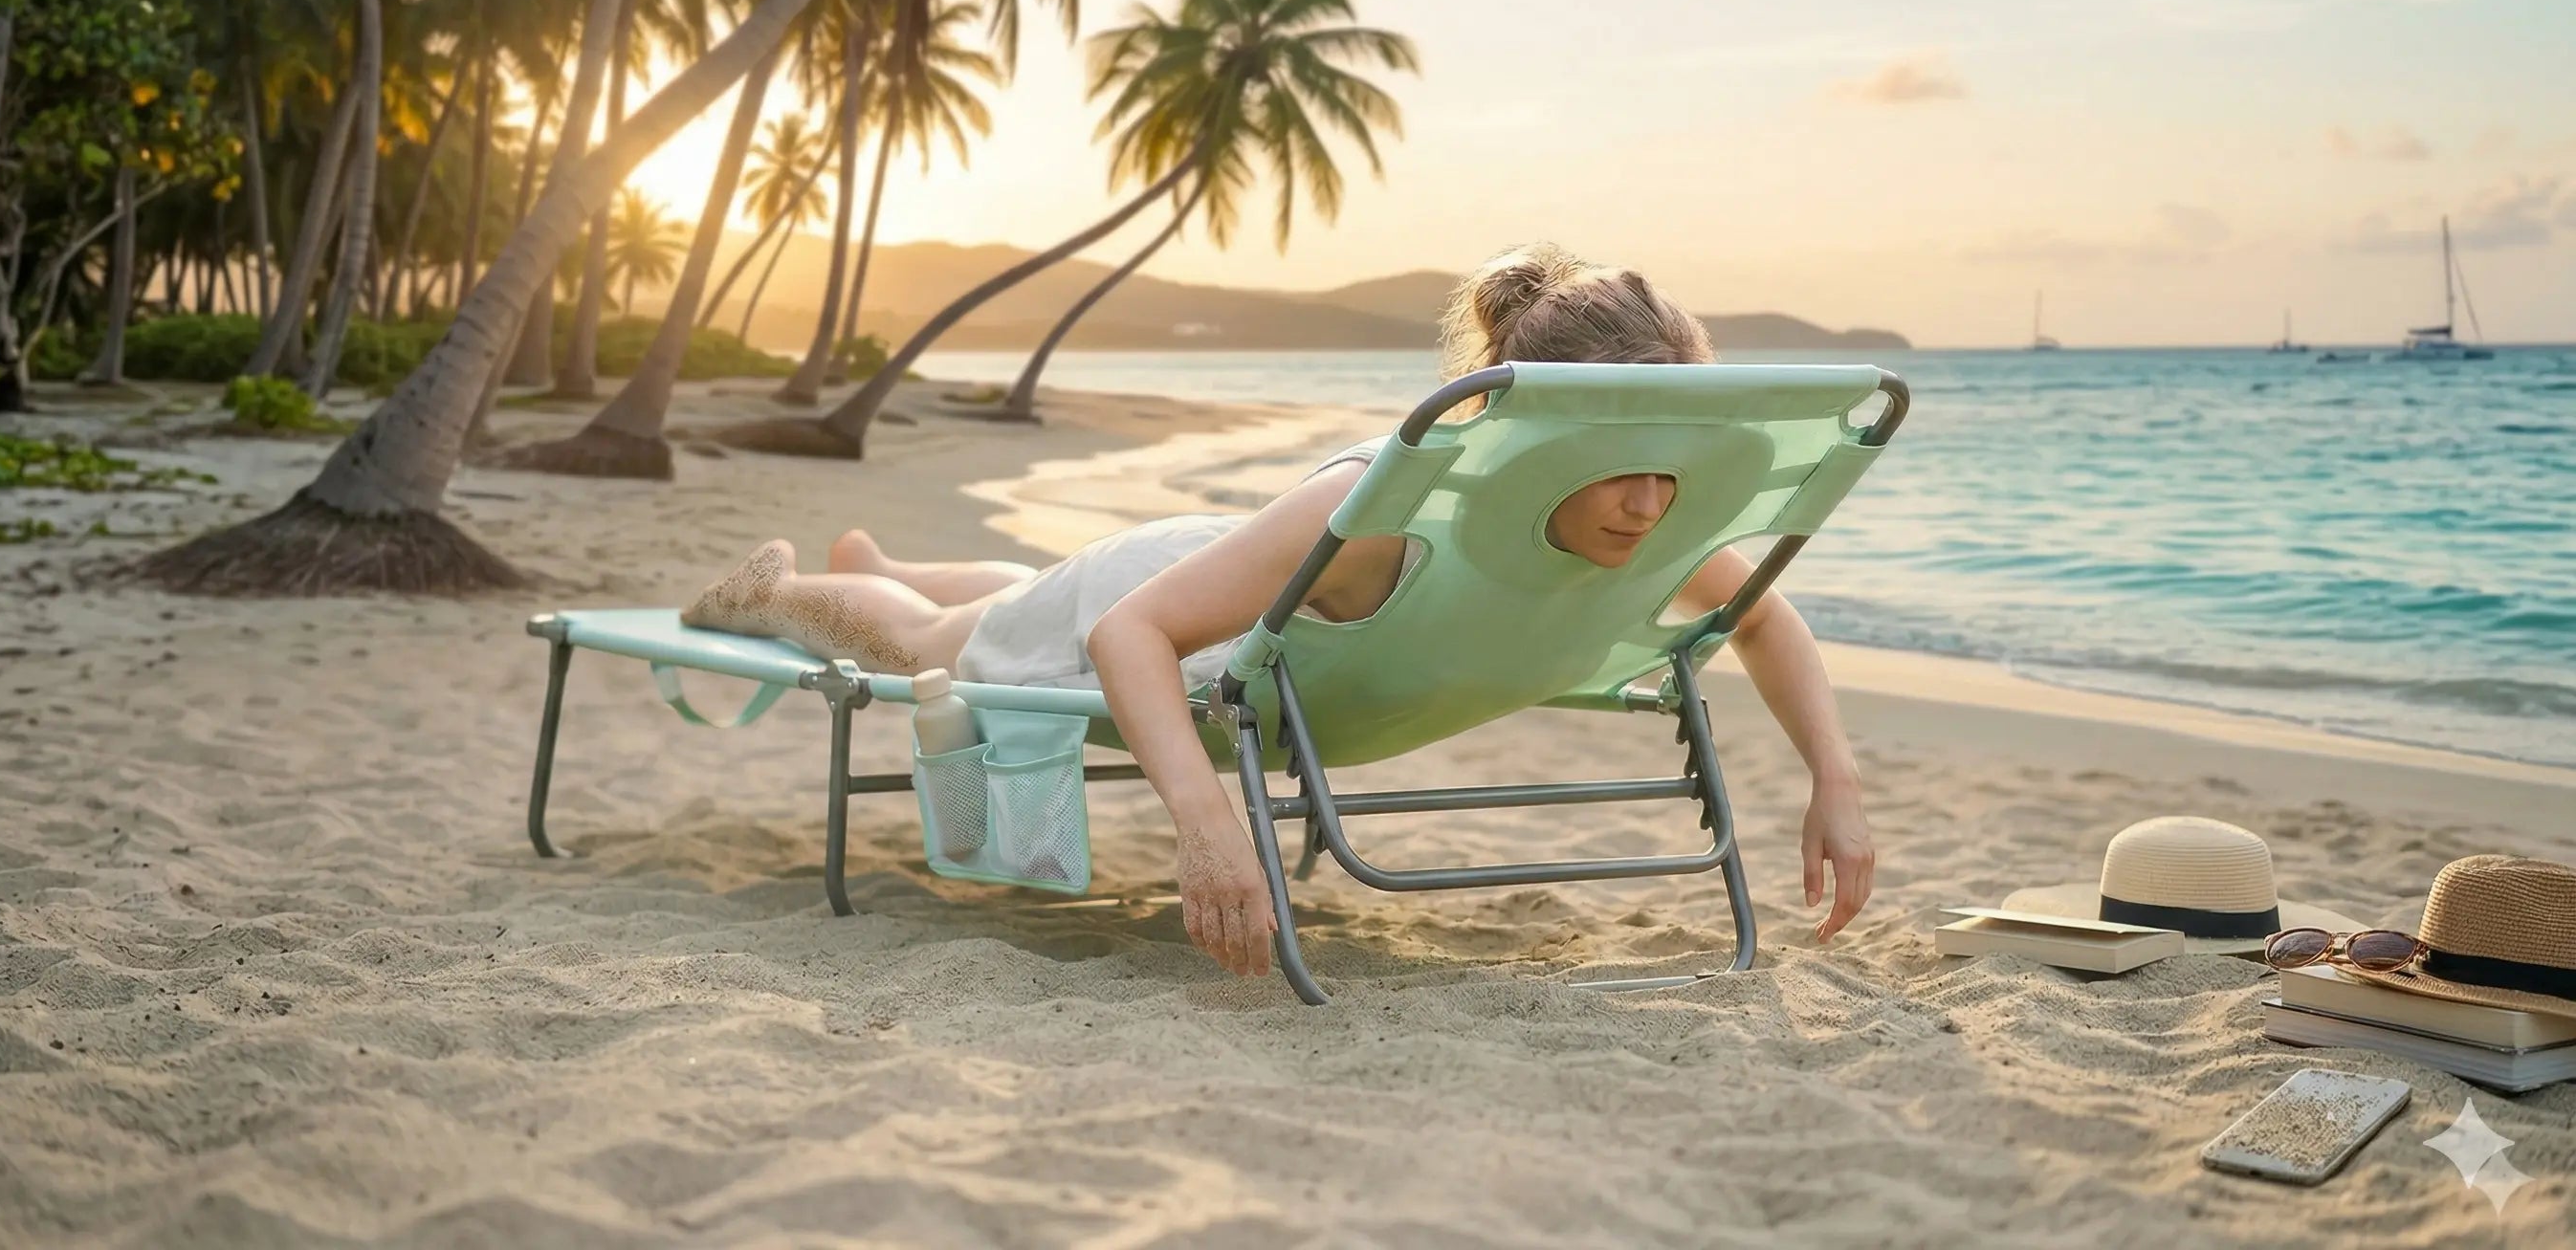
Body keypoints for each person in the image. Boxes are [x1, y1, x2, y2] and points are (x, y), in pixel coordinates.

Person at [684, 242, 1876, 980]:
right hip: (1150, 594)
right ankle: (784, 589)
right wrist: (1206, 826)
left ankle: (892, 558)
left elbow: (1762, 618)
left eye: (1674, 462)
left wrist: (1835, 777)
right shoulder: (1380, 519)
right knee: (936, 642)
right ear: (1536, 440)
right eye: (1621, 461)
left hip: (1226, 571)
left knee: (997, 595)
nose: (1648, 499)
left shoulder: (1651, 524)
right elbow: (1129, 635)